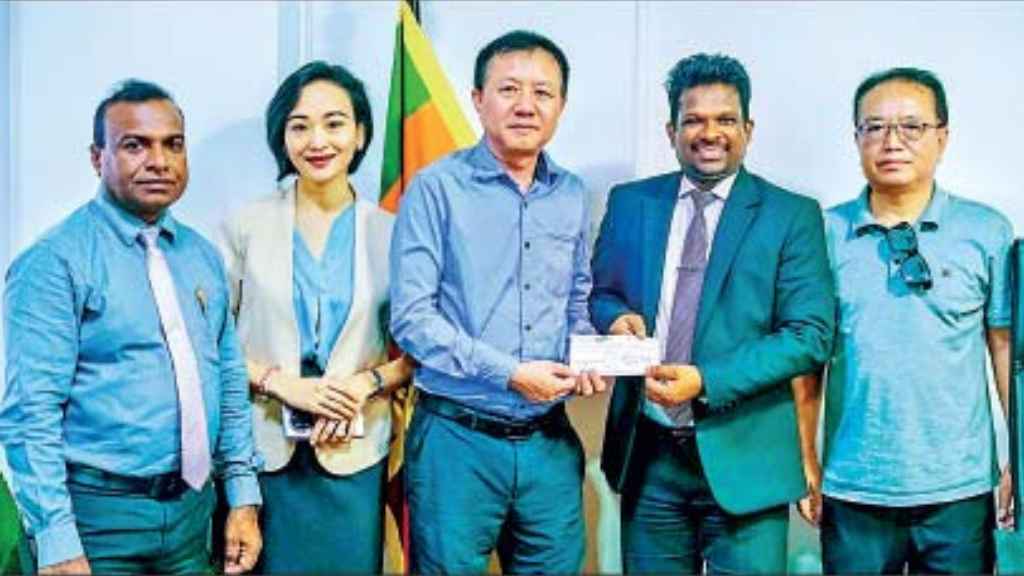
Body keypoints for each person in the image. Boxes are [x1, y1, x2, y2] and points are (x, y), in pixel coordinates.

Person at [0, 79, 261, 574]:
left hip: (191, 518)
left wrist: (242, 496)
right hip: (96, 523)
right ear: (97, 158)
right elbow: (30, 413)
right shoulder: (54, 262)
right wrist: (56, 541)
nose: (159, 161)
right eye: (135, 145)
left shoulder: (201, 257)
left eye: (173, 144)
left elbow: (228, 380)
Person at [590, 53, 835, 573]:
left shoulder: (791, 214)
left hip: (747, 458)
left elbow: (809, 335)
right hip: (648, 457)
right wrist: (613, 319)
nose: (710, 133)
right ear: (671, 130)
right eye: (693, 120)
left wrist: (704, 380)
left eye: (725, 119)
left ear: (748, 129)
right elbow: (602, 293)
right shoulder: (631, 203)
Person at [389, 30, 605, 574]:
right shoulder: (436, 187)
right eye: (509, 89)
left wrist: (589, 355)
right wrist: (510, 374)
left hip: (549, 444)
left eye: (542, 92)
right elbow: (412, 319)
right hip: (457, 442)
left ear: (561, 106)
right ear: (478, 99)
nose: (526, 105)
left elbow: (577, 299)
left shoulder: (572, 193)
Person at [794, 67, 1013, 574]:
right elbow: (806, 363)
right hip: (853, 486)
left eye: (912, 127)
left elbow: (1005, 350)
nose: (892, 142)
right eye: (874, 127)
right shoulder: (822, 233)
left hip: (959, 489)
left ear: (943, 137)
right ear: (856, 139)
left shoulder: (986, 231)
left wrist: (1019, 461)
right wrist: (805, 459)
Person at [218, 60, 413, 573]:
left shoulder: (393, 232)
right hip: (264, 449)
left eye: (334, 123)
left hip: (354, 451)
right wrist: (279, 383)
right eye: (300, 126)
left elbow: (423, 352)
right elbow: (209, 342)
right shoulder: (245, 226)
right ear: (282, 137)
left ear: (360, 133)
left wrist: (365, 385)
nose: (317, 140)